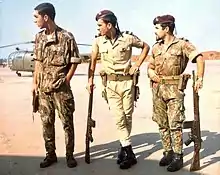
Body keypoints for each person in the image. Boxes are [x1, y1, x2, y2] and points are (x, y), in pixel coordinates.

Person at [87, 10, 150, 169]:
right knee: (119, 118)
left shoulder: (127, 38)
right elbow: (92, 62)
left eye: (100, 25)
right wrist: (89, 80)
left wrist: (137, 65)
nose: (98, 28)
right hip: (110, 85)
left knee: (127, 117)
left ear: (109, 25)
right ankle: (130, 153)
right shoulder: (98, 41)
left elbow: (145, 47)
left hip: (127, 84)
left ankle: (123, 148)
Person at [147, 14, 205, 172]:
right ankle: (168, 152)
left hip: (174, 90)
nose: (154, 31)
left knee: (175, 124)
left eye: (157, 28)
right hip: (158, 89)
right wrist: (151, 73)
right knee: (162, 124)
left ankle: (178, 156)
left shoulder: (182, 44)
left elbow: (199, 58)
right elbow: (150, 66)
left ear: (166, 29)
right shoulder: (156, 47)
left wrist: (199, 78)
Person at [32, 2, 81, 168]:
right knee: (46, 123)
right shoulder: (39, 37)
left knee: (67, 123)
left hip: (61, 89)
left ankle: (69, 155)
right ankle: (50, 154)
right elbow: (38, 62)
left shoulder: (66, 37)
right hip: (44, 90)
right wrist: (34, 84)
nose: (34, 20)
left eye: (36, 17)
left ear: (46, 17)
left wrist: (67, 79)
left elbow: (74, 60)